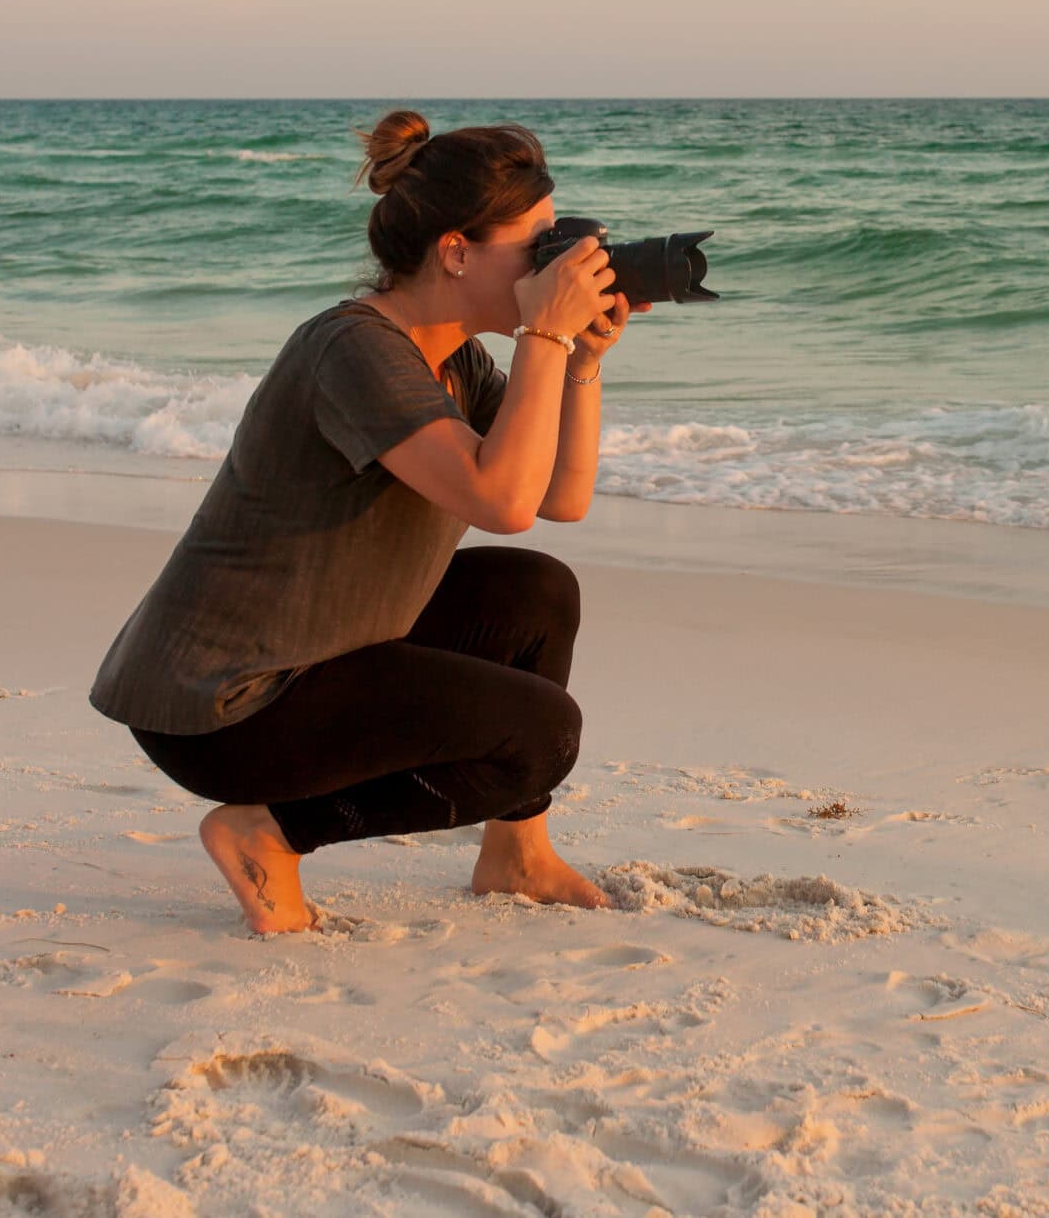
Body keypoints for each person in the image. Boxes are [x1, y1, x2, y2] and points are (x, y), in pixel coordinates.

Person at [87, 109, 642, 934]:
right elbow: (503, 501)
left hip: (315, 656)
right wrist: (544, 333)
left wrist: (581, 360)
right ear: (456, 251)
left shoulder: (455, 355)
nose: (550, 266)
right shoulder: (355, 350)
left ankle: (517, 853)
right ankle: (267, 831)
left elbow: (559, 498)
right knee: (541, 734)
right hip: (226, 703)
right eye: (535, 246)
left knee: (537, 593)